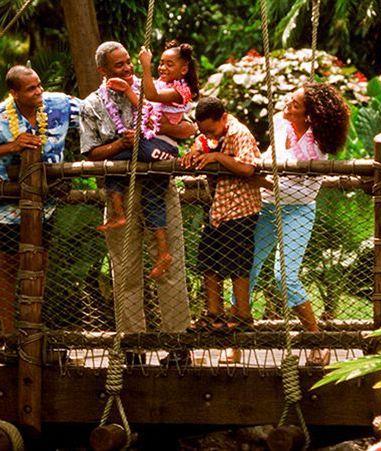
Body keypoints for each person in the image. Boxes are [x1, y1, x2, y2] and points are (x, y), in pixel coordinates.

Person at [79, 41, 195, 366]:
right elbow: (90, 153)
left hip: (159, 188)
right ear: (103, 71)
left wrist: (160, 132)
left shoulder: (151, 88)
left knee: (170, 265)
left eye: (129, 63)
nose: (128, 69)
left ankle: (177, 344)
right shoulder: (91, 105)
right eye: (119, 66)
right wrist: (119, 143)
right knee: (125, 271)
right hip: (121, 195)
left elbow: (186, 127)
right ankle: (133, 346)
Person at [0, 65, 81, 335]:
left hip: (45, 204)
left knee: (40, 261)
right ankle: (9, 332)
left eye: (39, 85)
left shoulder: (58, 105)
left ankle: (34, 325)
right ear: (14, 93)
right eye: (31, 88)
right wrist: (12, 146)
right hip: (8, 207)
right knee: (8, 265)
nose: (39, 91)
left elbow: (95, 113)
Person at [249, 83, 351, 366]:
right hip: (267, 207)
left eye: (294, 104)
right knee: (247, 268)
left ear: (309, 115)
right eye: (289, 100)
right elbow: (267, 158)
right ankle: (236, 341)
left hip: (298, 211)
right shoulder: (280, 126)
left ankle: (316, 340)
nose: (287, 105)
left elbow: (304, 192)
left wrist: (262, 181)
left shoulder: (317, 146)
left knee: (284, 276)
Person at [97, 41, 199, 280]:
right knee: (152, 200)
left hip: (161, 149)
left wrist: (146, 65)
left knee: (125, 150)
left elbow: (151, 97)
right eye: (160, 63)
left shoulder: (181, 90)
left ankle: (120, 212)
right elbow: (146, 107)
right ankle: (161, 251)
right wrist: (128, 90)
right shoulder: (162, 83)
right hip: (150, 146)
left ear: (183, 69)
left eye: (168, 63)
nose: (162, 67)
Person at [181, 96, 261, 338]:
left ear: (223, 117)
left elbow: (247, 167)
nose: (208, 135)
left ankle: (242, 317)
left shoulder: (239, 133)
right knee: (208, 261)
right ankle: (214, 315)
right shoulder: (212, 134)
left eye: (211, 129)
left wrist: (217, 158)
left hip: (240, 209)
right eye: (204, 131)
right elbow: (202, 141)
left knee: (238, 265)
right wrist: (196, 149)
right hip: (218, 211)